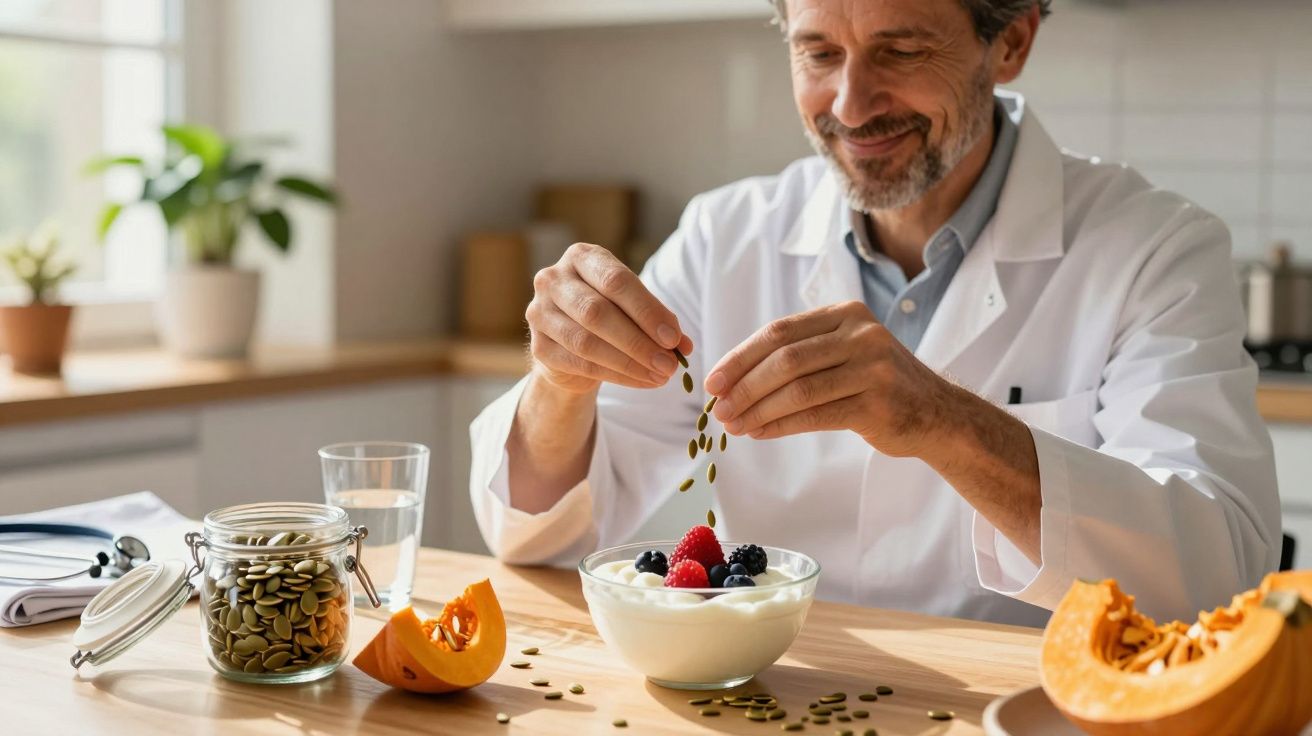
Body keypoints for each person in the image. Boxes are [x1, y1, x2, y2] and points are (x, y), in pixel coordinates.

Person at [468, 0, 1281, 625]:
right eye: (818, 52)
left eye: (901, 50)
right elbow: (536, 534)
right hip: (782, 696)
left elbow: (1220, 574)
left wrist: (946, 422)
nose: (851, 105)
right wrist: (559, 381)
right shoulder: (725, 237)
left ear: (1012, 42)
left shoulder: (1156, 249)